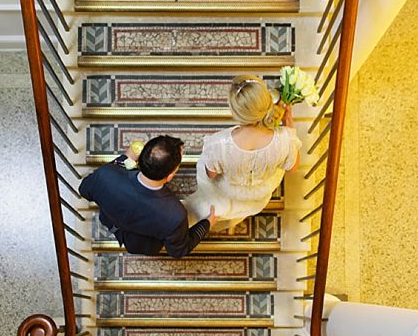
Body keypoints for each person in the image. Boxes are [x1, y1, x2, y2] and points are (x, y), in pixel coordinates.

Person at [185, 75, 302, 233]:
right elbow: (292, 167)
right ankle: (236, 217)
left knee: (212, 186)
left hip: (228, 190)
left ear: (236, 112)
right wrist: (289, 124)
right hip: (259, 192)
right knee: (242, 207)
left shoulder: (218, 144)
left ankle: (221, 216)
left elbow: (211, 175)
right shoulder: (285, 141)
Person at [79, 135, 217, 258]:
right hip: (143, 244)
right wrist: (207, 224)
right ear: (170, 176)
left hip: (111, 220)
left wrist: (124, 159)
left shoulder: (106, 175)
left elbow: (84, 190)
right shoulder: (175, 215)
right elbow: (178, 251)